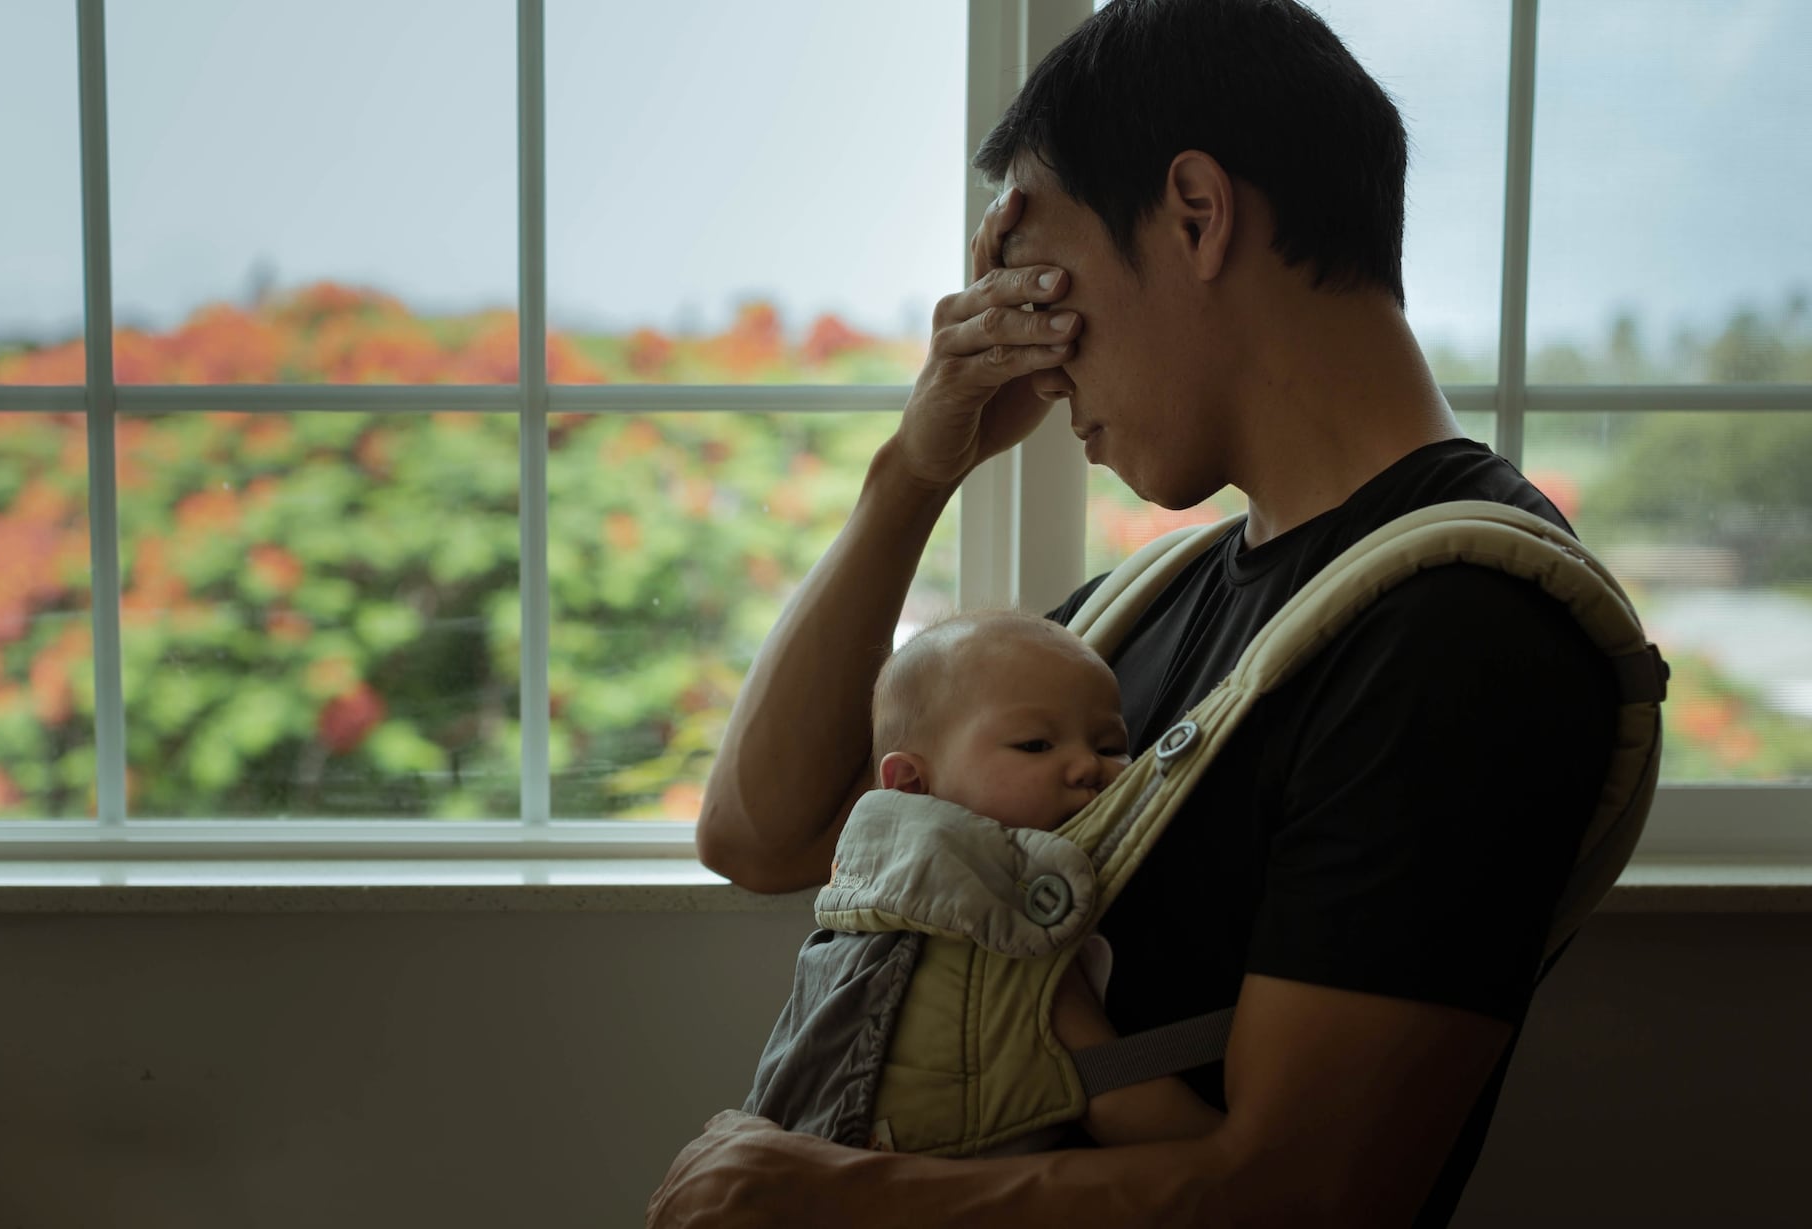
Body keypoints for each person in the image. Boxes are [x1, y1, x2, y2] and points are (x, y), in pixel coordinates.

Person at [652, 1, 1617, 1225]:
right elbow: (762, 834)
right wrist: (914, 469)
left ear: (1196, 215)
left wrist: (845, 1197)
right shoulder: (1144, 607)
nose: (1039, 356)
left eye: (1044, 280)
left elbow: (1313, 1191)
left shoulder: (1460, 628)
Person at [742, 608, 1224, 1151]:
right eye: (1036, 746)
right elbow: (1119, 1102)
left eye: (1110, 746)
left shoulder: (862, 898)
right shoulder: (1004, 928)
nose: (1088, 766)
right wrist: (1236, 1157)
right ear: (911, 783)